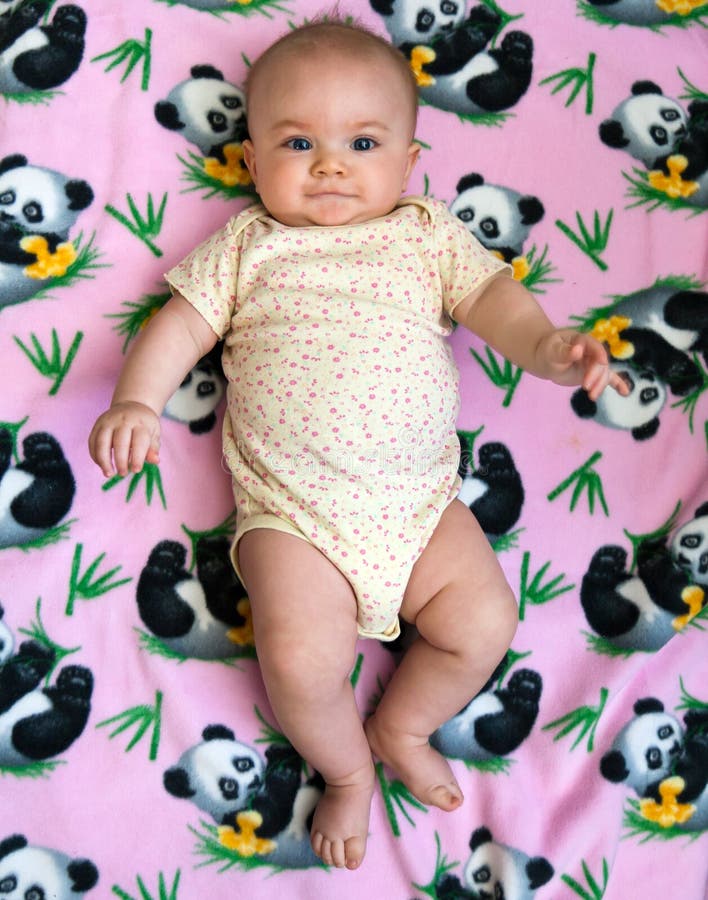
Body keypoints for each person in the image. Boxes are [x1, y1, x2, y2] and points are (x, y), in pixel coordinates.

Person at [89, 18, 628, 871]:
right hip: (294, 517)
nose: (330, 164)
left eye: (362, 141)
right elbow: (176, 327)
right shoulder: (249, 248)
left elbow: (500, 305)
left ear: (409, 163)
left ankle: (403, 722)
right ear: (252, 163)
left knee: (485, 620)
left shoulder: (426, 234)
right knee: (300, 658)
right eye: (298, 141)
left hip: (419, 508)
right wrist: (136, 400)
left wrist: (552, 348)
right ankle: (345, 772)